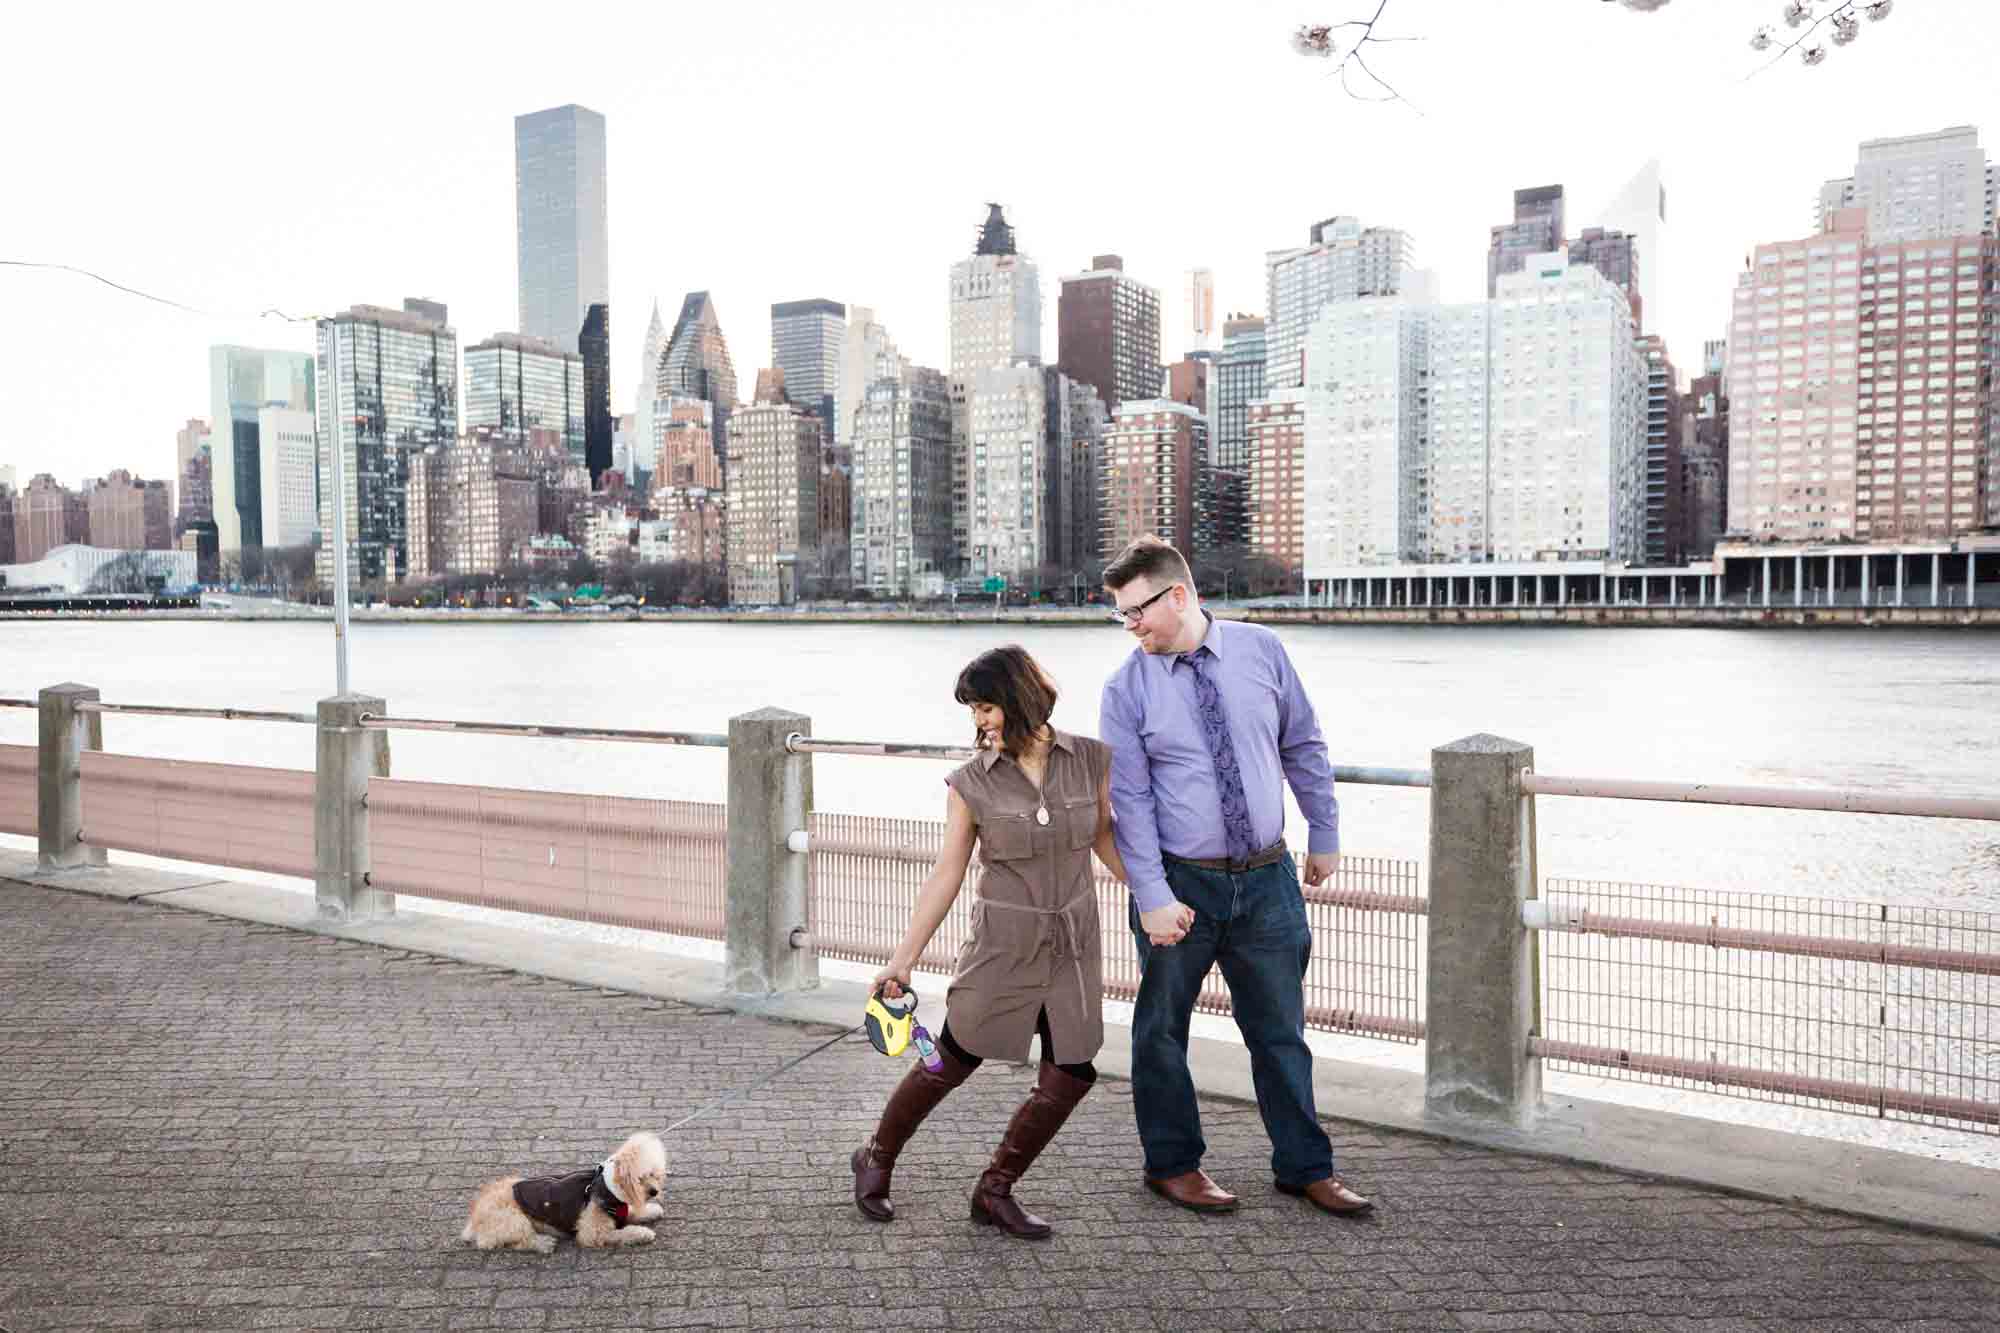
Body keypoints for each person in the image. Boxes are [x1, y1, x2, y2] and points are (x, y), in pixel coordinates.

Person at [1098, 537, 1374, 1218]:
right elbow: (1126, 804)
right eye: (1121, 615)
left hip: (1269, 877)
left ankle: (1306, 1166)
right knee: (1160, 1031)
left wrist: (1325, 832)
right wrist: (1152, 896)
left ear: (1179, 595)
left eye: (1136, 611)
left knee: (1280, 1030)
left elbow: (1303, 742)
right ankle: (1173, 1163)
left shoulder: (1262, 651)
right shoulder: (1124, 689)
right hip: (1180, 884)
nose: (1129, 626)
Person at [851, 645, 1126, 1240]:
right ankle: (876, 1154)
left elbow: (1106, 841)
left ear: (1020, 699)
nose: (980, 722)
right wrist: (901, 961)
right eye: (974, 711)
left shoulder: (1092, 760)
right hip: (1001, 942)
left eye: (986, 707)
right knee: (949, 1058)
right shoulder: (970, 783)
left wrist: (1164, 895)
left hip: (1073, 943)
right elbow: (948, 873)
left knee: (1072, 1072)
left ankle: (995, 1190)